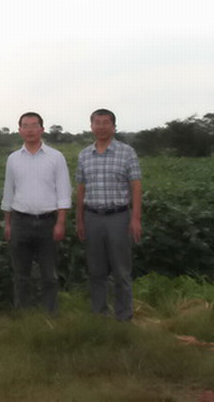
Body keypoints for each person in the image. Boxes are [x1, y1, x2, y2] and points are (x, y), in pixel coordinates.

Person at [1, 112, 71, 315]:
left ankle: (51, 313)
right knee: (21, 274)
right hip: (20, 221)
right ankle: (23, 314)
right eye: (25, 126)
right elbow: (8, 192)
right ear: (20, 130)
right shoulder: (13, 159)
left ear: (42, 129)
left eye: (34, 125)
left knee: (49, 274)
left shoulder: (56, 157)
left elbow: (63, 192)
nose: (30, 130)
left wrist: (60, 222)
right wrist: (7, 224)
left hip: (48, 222)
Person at [75, 108, 142, 321]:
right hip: (92, 217)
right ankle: (100, 315)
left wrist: (135, 218)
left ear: (113, 127)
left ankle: (124, 316)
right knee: (96, 270)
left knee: (122, 271)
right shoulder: (84, 155)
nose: (101, 127)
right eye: (97, 122)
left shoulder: (127, 152)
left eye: (106, 123)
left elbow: (136, 186)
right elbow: (81, 190)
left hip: (118, 217)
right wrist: (79, 220)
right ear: (91, 126)